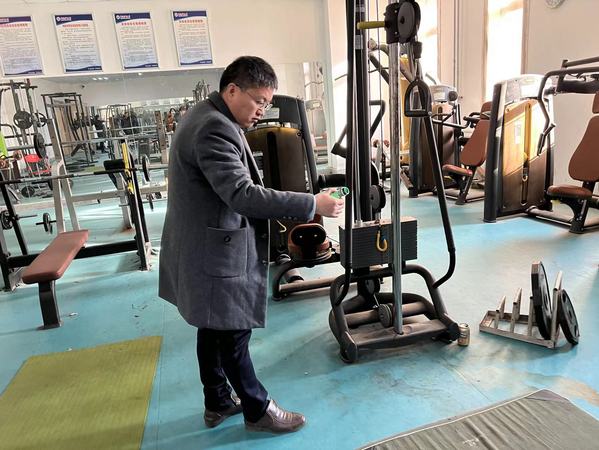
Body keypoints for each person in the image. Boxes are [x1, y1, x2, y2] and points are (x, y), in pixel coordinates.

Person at [158, 56, 344, 434]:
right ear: (232, 90)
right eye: (258, 101)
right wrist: (312, 204)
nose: (262, 110)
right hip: (215, 249)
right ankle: (258, 410)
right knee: (233, 331)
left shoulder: (207, 116)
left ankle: (217, 401)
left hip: (203, 241)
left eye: (267, 103)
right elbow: (243, 195)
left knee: (211, 326)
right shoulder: (214, 128)